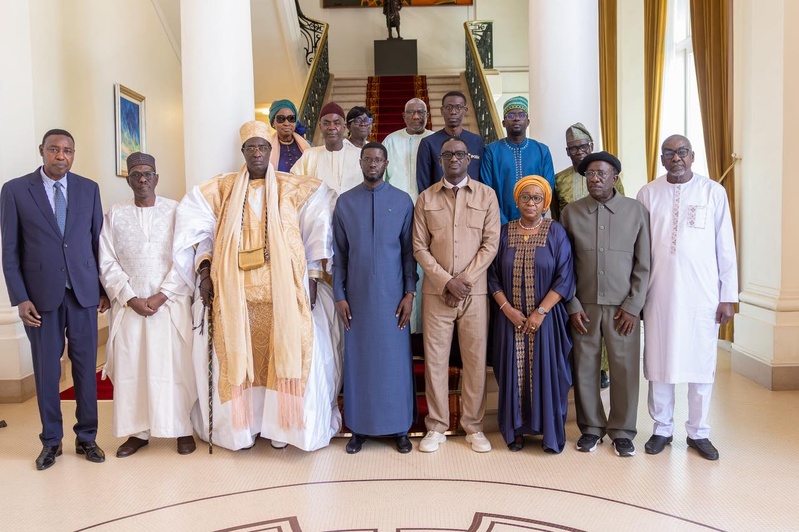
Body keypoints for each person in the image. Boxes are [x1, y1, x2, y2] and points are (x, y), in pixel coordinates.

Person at [173, 120, 342, 452]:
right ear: (243, 152)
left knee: (285, 356)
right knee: (239, 359)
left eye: (262, 148)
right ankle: (242, 429)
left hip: (284, 292)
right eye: (250, 148)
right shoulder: (221, 189)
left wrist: (311, 275)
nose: (257, 154)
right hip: (235, 295)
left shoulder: (295, 187)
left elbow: (318, 224)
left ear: (271, 151)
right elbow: (200, 229)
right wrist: (205, 270)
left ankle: (283, 429)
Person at [1, 129, 109, 470]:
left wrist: (103, 289)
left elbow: (97, 243)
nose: (60, 156)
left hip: (83, 294)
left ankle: (87, 437)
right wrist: (20, 298)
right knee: (47, 373)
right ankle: (51, 441)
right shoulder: (16, 190)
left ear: (73, 154)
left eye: (67, 151)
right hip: (40, 299)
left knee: (85, 370)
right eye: (54, 149)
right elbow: (10, 250)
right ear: (42, 151)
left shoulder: (89, 189)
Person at [636, 134, 738, 461]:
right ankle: (662, 429)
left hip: (703, 295)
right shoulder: (648, 193)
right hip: (658, 293)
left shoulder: (713, 192)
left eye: (682, 152)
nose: (676, 157)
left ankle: (698, 432)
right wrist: (635, 296)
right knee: (659, 361)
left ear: (692, 156)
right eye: (669, 153)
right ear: (662, 158)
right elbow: (638, 249)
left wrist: (728, 295)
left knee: (700, 362)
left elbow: (726, 246)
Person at [99, 152, 197, 457]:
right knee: (133, 369)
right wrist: (129, 297)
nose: (142, 180)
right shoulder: (115, 213)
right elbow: (106, 260)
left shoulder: (175, 210)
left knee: (174, 367)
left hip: (169, 304)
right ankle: (137, 432)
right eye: (136, 175)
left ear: (156, 177)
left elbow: (185, 257)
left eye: (148, 174)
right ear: (128, 180)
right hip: (130, 306)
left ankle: (180, 428)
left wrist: (162, 295)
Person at [560, 152, 650, 458]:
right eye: (590, 175)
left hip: (623, 308)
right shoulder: (571, 213)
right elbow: (564, 265)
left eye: (602, 174)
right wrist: (571, 305)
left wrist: (633, 305)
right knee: (585, 368)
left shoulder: (636, 211)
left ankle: (623, 432)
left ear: (616, 177)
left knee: (624, 369)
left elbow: (644, 264)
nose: (595, 179)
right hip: (583, 307)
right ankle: (591, 429)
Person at [413, 136, 500, 453]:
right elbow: (419, 247)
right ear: (440, 160)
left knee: (475, 362)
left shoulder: (486, 196)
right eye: (447, 154)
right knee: (435, 361)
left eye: (460, 154)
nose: (453, 158)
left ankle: (474, 427)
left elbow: (491, 244)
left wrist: (463, 281)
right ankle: (436, 427)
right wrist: (445, 281)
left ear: (469, 159)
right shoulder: (425, 198)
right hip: (437, 295)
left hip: (474, 295)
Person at [333, 142, 417, 454]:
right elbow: (340, 255)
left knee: (395, 364)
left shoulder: (402, 201)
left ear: (386, 163)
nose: (372, 164)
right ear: (360, 162)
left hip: (393, 299)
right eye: (367, 159)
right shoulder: (345, 203)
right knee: (360, 363)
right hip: (356, 300)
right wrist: (339, 295)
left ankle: (400, 429)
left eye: (378, 159)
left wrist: (410, 293)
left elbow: (409, 254)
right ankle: (359, 428)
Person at [488, 176, 574, 454]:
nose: (531, 203)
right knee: (512, 374)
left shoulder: (556, 232)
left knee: (549, 373)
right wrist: (508, 310)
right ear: (517, 200)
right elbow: (492, 278)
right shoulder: (503, 232)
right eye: (525, 197)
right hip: (508, 321)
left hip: (546, 322)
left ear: (545, 202)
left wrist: (540, 312)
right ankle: (515, 432)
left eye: (537, 198)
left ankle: (548, 433)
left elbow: (564, 277)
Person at [553, 122, 623, 388]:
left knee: (603, 312)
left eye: (583, 146)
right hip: (572, 252)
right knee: (575, 307)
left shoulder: (611, 175)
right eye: (573, 148)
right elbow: (558, 217)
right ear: (567, 152)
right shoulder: (560, 179)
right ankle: (576, 362)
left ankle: (602, 368)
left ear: (592, 146)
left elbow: (621, 213)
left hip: (605, 252)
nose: (578, 152)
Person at [383, 97, 435, 334]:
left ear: (427, 115)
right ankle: (403, 325)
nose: (416, 117)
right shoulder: (391, 141)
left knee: (427, 269)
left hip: (431, 216)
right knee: (401, 265)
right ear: (403, 116)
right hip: (396, 216)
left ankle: (425, 327)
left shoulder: (435, 140)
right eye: (411, 112)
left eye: (421, 112)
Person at [480, 96, 555, 225]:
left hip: (535, 224)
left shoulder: (542, 151)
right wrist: (503, 223)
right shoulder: (491, 151)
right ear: (503, 123)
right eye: (510, 115)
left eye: (521, 114)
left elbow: (547, 187)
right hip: (499, 225)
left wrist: (533, 218)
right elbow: (486, 190)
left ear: (528, 121)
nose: (516, 118)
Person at [416, 91, 484, 194]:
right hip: (439, 202)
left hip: (472, 202)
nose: (453, 112)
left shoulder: (476, 141)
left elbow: (482, 178)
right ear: (442, 111)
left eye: (458, 107)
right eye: (448, 107)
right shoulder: (428, 143)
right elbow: (424, 182)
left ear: (465, 110)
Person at [291, 101, 362, 196]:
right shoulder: (309, 155)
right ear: (320, 127)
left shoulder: (359, 155)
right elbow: (293, 184)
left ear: (344, 127)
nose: (331, 127)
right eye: (326, 123)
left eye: (336, 123)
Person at [268, 99, 310, 173]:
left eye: (291, 118)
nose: (287, 123)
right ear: (273, 123)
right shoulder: (266, 149)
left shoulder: (309, 146)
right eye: (281, 119)